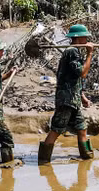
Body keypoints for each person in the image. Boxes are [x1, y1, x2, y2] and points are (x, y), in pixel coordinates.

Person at [38, 24, 95, 164]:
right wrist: (90, 54)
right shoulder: (72, 52)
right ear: (78, 37)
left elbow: (72, 79)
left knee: (82, 128)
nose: (87, 38)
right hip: (66, 100)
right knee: (56, 130)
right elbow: (82, 73)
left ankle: (86, 156)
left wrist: (82, 97)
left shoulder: (74, 51)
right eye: (85, 36)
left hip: (73, 100)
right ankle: (43, 160)